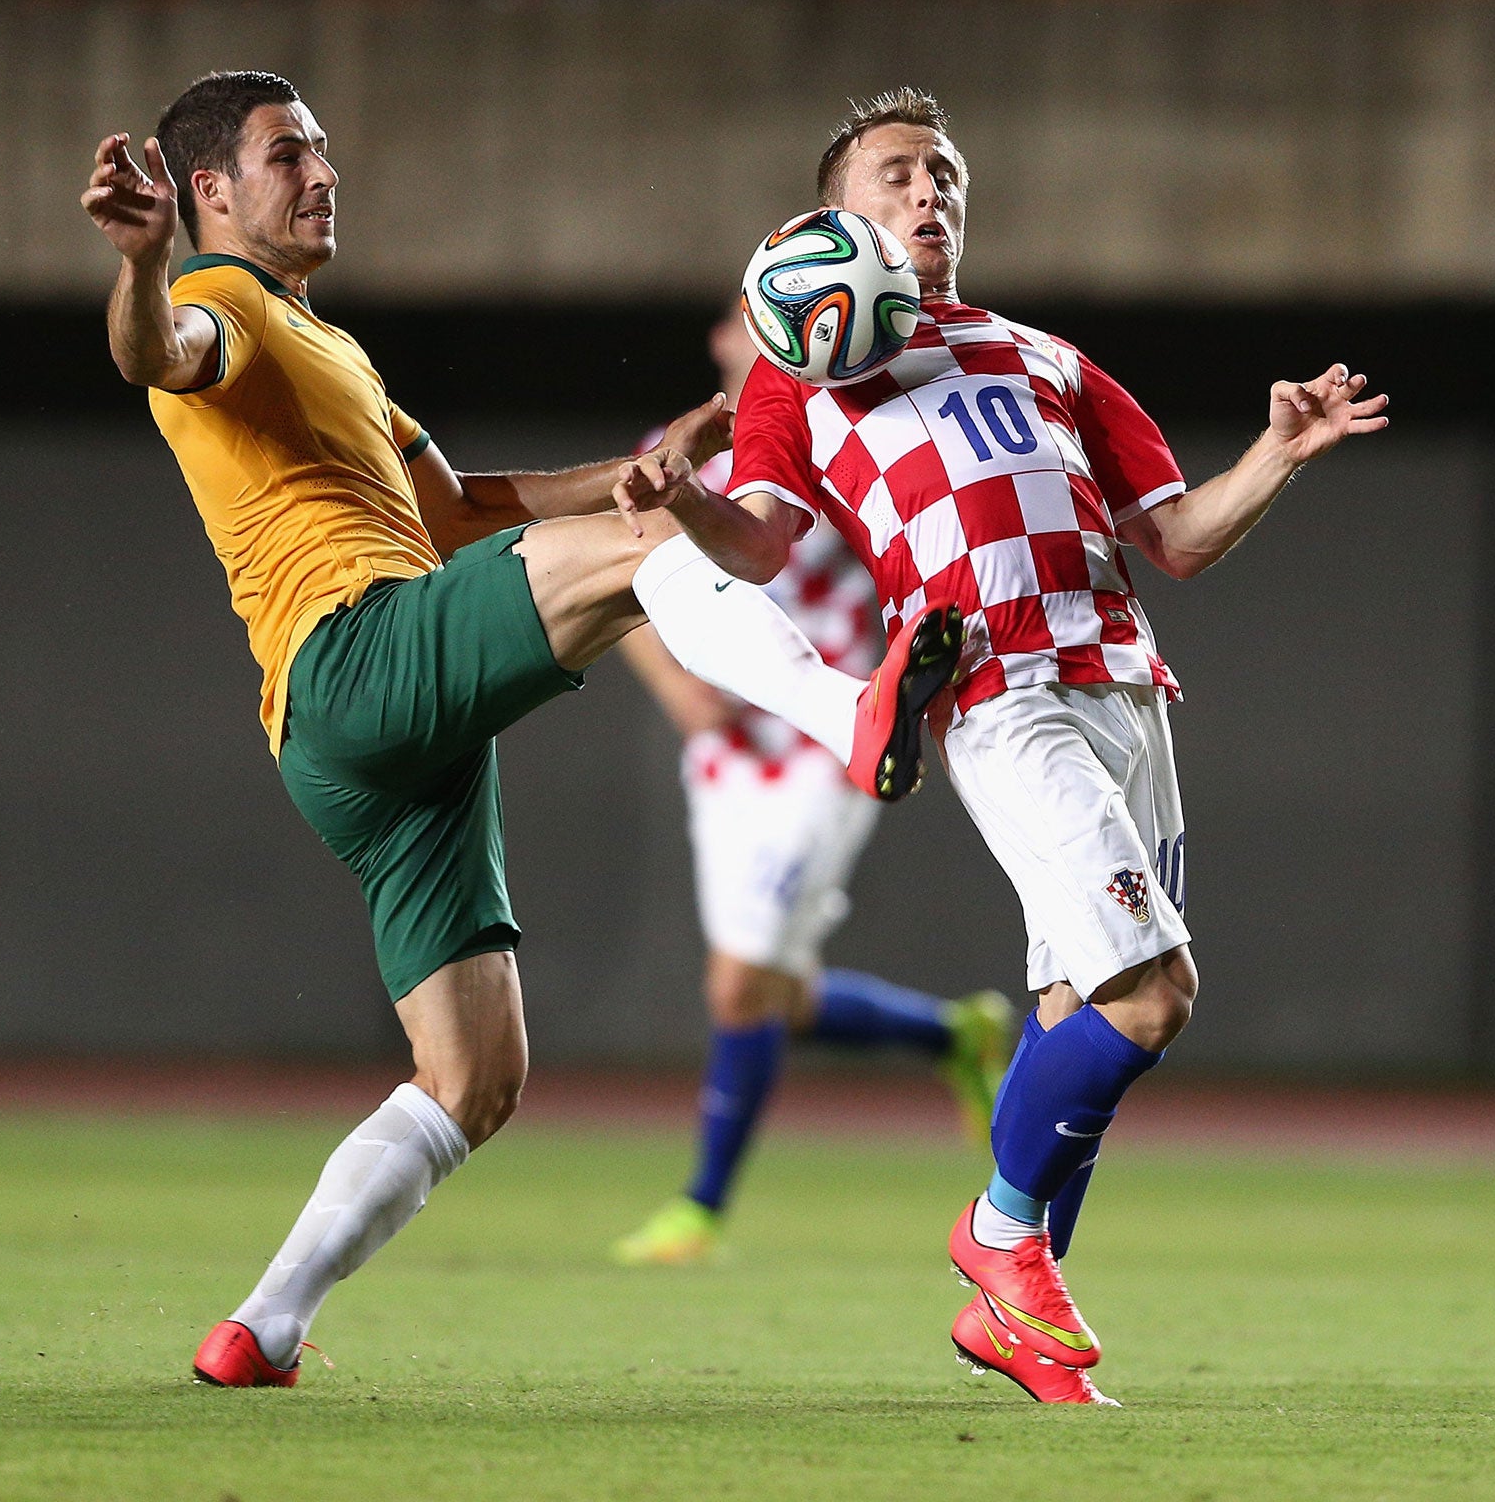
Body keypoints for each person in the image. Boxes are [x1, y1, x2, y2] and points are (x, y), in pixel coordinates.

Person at [80, 70, 966, 1388]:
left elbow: (459, 512)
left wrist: (642, 467)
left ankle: (259, 1328)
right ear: (209, 192)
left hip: (361, 750)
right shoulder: (220, 307)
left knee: (474, 1078)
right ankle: (855, 715)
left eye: (325, 150)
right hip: (362, 653)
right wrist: (147, 267)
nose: (323, 174)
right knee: (646, 560)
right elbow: (155, 355)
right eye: (286, 156)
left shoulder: (332, 351)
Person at [617, 88, 1388, 1404]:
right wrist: (683, 498)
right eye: (898, 175)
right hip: (996, 693)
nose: (929, 195)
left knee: (1070, 1012)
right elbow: (757, 543)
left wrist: (1279, 451)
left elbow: (1181, 538)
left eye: (945, 175)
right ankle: (999, 1235)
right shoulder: (799, 383)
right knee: (1154, 996)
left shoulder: (1046, 356)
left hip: (1129, 690)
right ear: (833, 221)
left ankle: (1021, 1324)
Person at [611, 303, 1011, 1267]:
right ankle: (951, 1035)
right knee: (770, 990)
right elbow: (619, 581)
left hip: (825, 742)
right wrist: (676, 689)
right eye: (737, 320)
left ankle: (701, 1209)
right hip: (725, 761)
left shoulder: (846, 434)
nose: (739, 338)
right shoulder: (674, 452)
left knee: (741, 984)